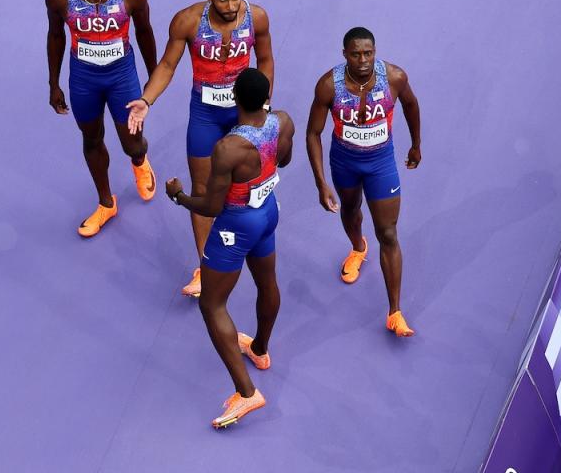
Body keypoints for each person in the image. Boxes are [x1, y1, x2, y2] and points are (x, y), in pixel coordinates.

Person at [127, 0, 273, 296]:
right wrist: (147, 99)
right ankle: (207, 268)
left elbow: (265, 61)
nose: (232, 5)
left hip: (242, 113)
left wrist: (262, 106)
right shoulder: (188, 22)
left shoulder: (257, 18)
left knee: (247, 187)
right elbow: (166, 65)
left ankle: (251, 245)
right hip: (205, 114)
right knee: (204, 188)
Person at [165, 68, 294, 428]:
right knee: (267, 282)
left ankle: (247, 393)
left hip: (236, 225)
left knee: (211, 304)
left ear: (235, 98)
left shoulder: (228, 148)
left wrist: (178, 197)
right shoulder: (283, 121)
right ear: (266, 95)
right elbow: (284, 160)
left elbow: (210, 207)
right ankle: (260, 349)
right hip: (268, 212)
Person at [306, 27, 422, 337]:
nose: (363, 60)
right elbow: (313, 133)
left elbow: (411, 105)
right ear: (344, 55)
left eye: (368, 53)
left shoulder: (394, 77)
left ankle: (394, 312)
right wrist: (321, 183)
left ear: (374, 51)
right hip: (344, 162)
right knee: (350, 211)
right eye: (356, 54)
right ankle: (358, 248)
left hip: (380, 162)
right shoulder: (328, 86)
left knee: (388, 232)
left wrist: (416, 144)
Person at [45, 0, 158, 237]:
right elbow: (56, 36)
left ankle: (139, 160)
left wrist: (154, 76)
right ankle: (106, 203)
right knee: (91, 139)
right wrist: (53, 83)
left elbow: (145, 32)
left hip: (122, 76)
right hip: (83, 79)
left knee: (131, 142)